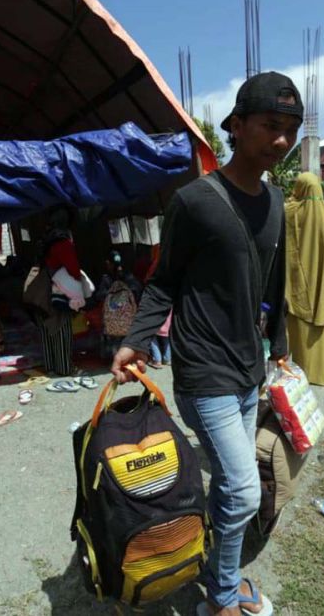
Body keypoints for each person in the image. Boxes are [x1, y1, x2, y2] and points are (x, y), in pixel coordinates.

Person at [112, 71, 302, 616]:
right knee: (242, 490)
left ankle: (207, 564)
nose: (282, 140)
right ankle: (220, 596)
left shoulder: (277, 202)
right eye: (271, 125)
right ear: (236, 127)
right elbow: (165, 279)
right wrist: (137, 340)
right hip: (203, 370)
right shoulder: (195, 201)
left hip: (249, 367)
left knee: (228, 482)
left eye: (291, 129)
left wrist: (279, 346)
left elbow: (274, 284)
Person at [284, 172, 324, 385]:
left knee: (300, 322)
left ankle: (305, 371)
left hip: (301, 280)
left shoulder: (292, 211)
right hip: (323, 282)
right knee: (321, 319)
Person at [40, 206, 80, 376]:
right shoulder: (63, 243)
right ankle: (64, 367)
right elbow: (73, 269)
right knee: (61, 328)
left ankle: (50, 366)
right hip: (59, 290)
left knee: (47, 327)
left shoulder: (44, 240)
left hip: (42, 289)